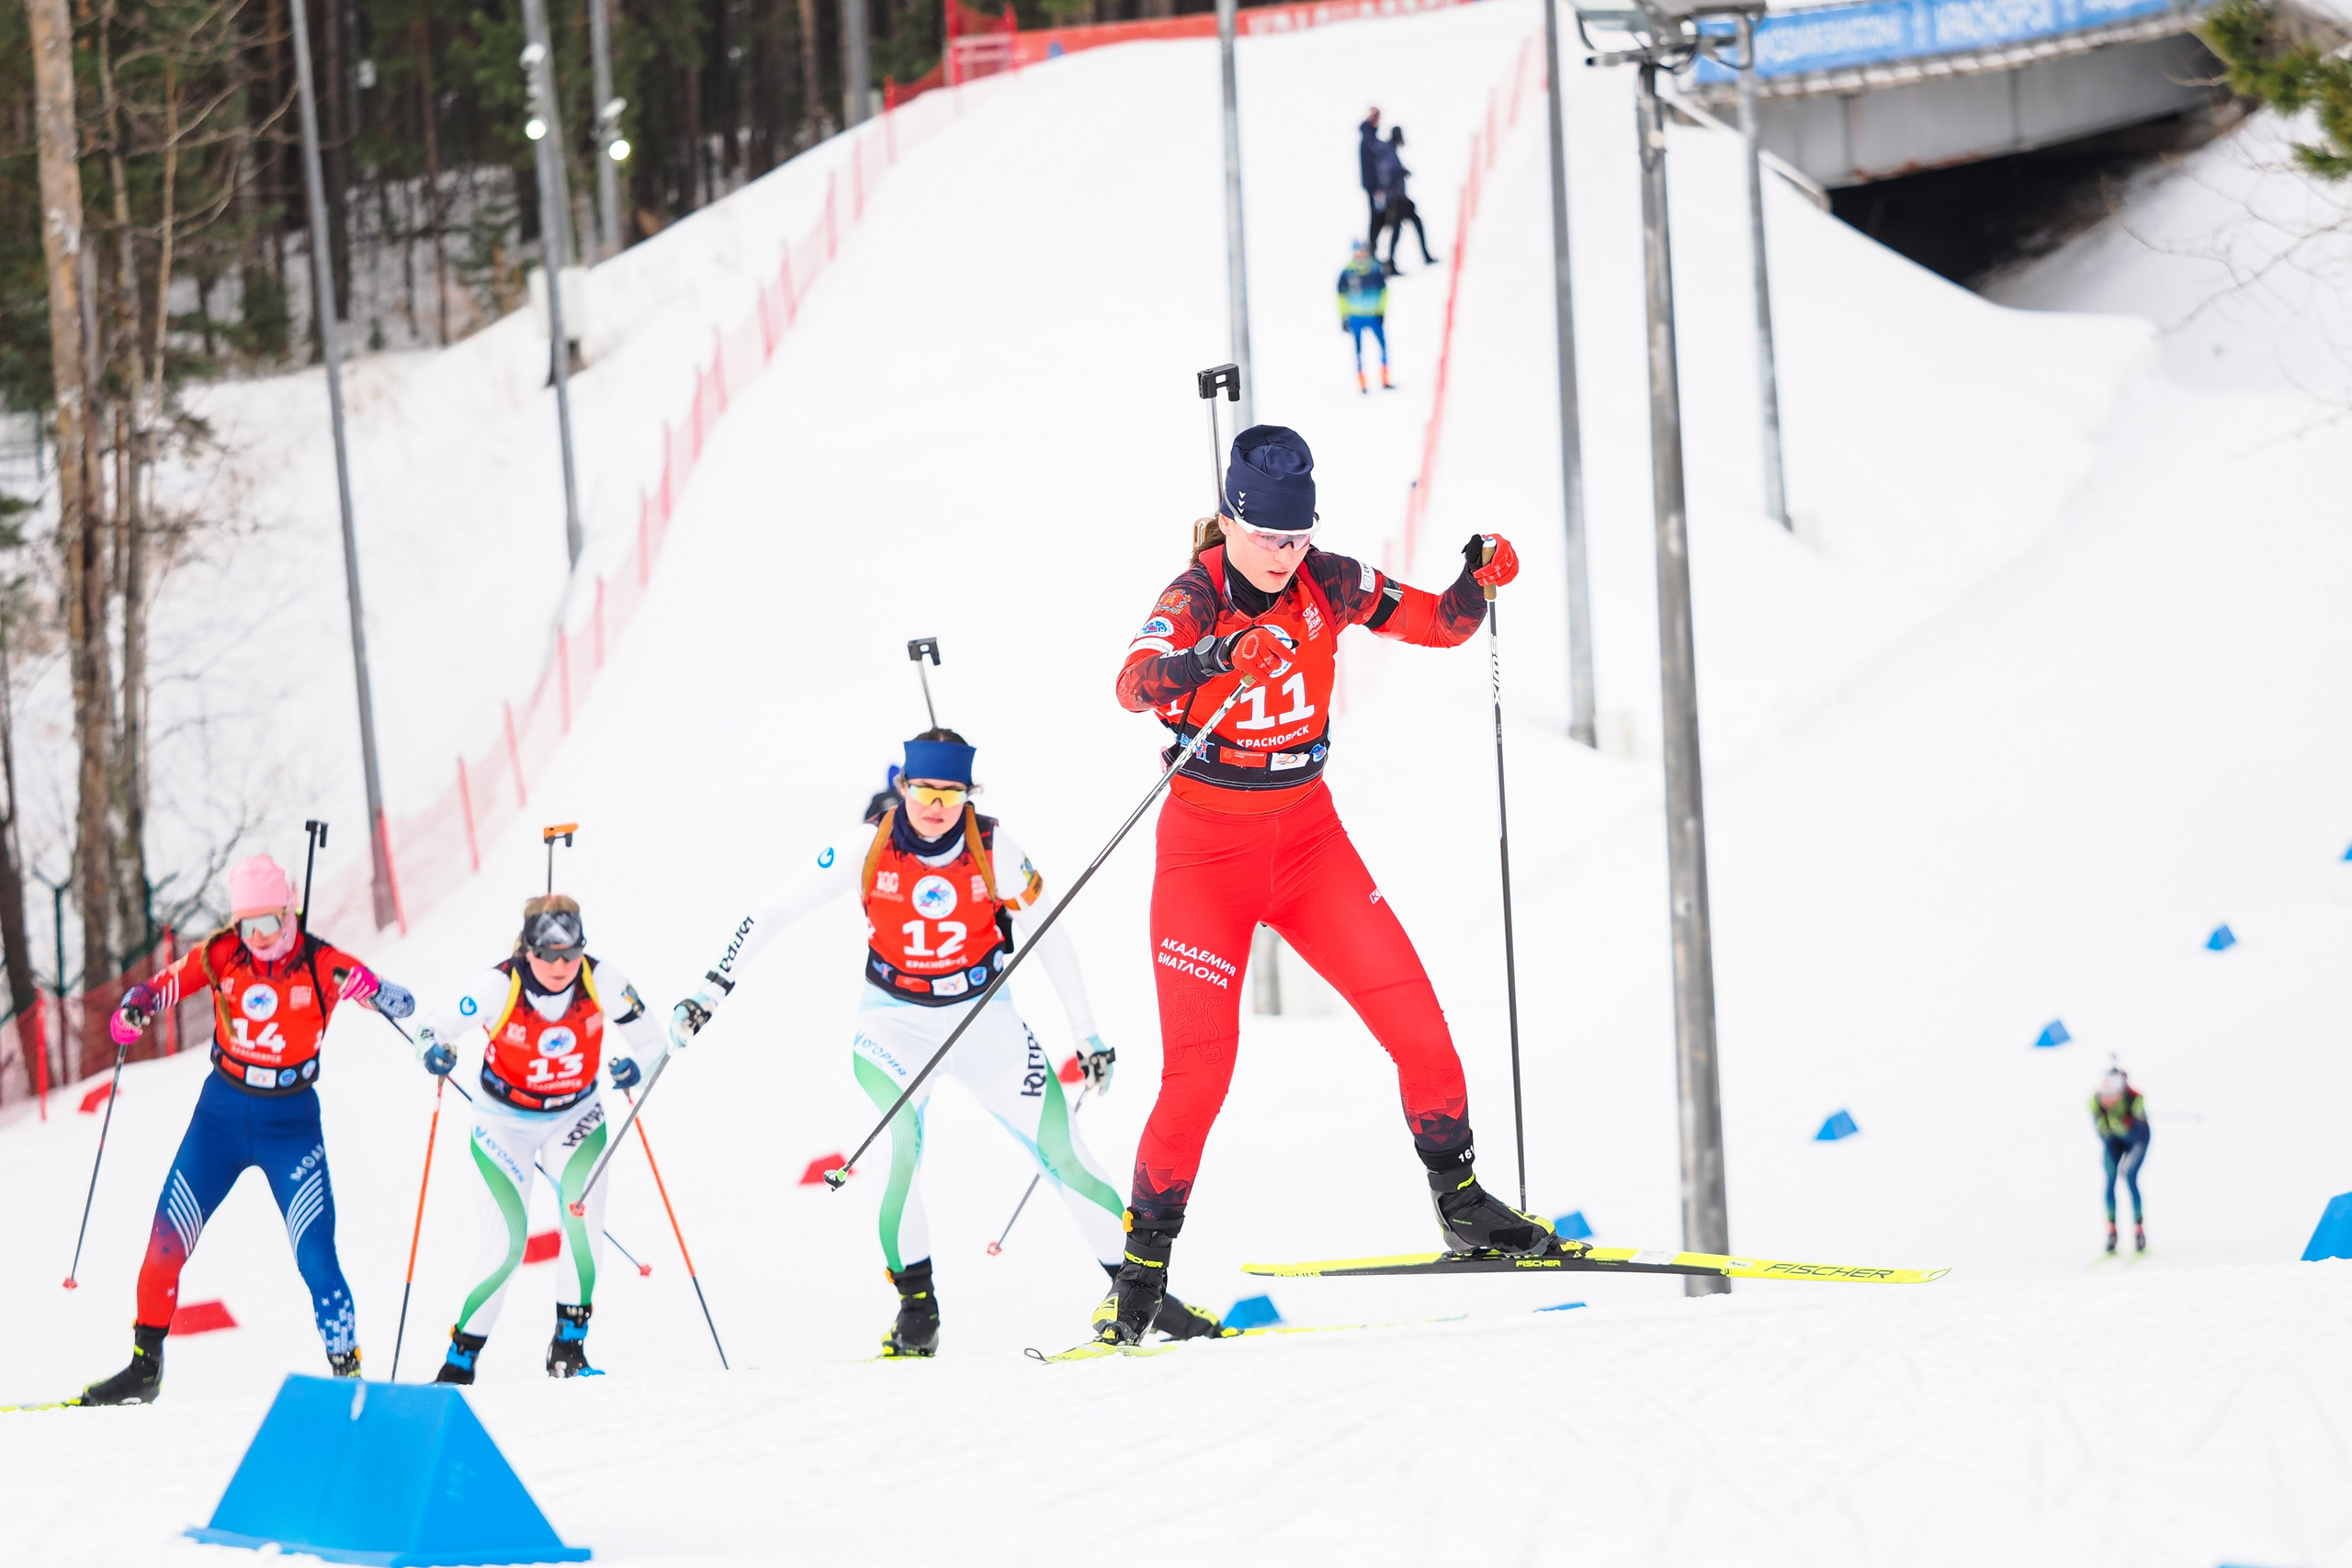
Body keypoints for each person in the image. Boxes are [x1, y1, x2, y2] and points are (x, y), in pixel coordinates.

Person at [1092, 425, 1575, 1348]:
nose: (1286, 555)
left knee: (1421, 1028)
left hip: (1308, 840)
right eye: (1270, 538)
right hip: (1206, 854)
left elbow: (1441, 623)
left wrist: (1479, 579)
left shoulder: (1332, 582)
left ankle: (1461, 1205)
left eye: (1298, 536)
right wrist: (1214, 660)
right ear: (1230, 521)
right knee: (1199, 1077)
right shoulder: (1191, 596)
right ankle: (1141, 1282)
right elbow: (1133, 683)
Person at [668, 729, 1226, 1355]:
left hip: (985, 1018)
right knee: (896, 1151)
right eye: (925, 790)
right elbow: (772, 911)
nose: (936, 805)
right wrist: (710, 989)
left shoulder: (991, 844)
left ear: (968, 793)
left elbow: (1050, 932)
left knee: (1064, 1152)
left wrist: (1086, 1033)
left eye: (951, 793)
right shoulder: (868, 844)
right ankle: (917, 1312)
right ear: (904, 788)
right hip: (894, 1025)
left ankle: (1143, 1295)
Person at [78, 853, 412, 1404]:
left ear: (290, 912)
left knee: (316, 1257)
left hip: (291, 1126)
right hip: (221, 1118)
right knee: (165, 1243)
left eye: (269, 923)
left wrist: (373, 989)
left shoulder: (320, 962)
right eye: (246, 925)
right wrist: (134, 1008)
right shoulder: (220, 954)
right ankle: (145, 1368)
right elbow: (160, 988)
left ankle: (348, 1375)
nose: (258, 937)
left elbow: (403, 1001)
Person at [413, 894, 671, 1382]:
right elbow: (432, 1029)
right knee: (507, 1245)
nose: (560, 965)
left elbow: (656, 1043)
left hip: (574, 1117)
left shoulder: (604, 980)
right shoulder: (497, 985)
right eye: (548, 954)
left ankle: (568, 1353)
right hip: (502, 1123)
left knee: (581, 1223)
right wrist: (435, 1052)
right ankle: (458, 1365)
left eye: (570, 954)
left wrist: (634, 1065)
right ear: (526, 951)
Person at [2093, 1067, 2150, 1254]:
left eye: (2113, 1095)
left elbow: (2138, 1133)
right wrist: (2110, 1126)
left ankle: (2139, 1229)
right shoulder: (2095, 1101)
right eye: (2104, 1096)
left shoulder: (2135, 1099)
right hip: (2114, 1142)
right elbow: (2101, 1133)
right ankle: (2112, 1231)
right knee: (2110, 1180)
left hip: (2137, 1141)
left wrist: (2121, 1124)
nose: (2107, 1100)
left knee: (2130, 1176)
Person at [1375, 127, 1437, 274]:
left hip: (1398, 198)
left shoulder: (1390, 150)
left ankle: (1400, 261)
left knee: (1407, 227)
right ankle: (1393, 263)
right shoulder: (1389, 151)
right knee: (1399, 229)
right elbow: (1389, 172)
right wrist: (1402, 173)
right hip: (1395, 199)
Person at [1337, 238, 1392, 393]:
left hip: (1373, 315)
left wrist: (1381, 311)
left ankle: (1385, 379)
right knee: (1359, 350)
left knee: (1382, 346)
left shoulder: (1375, 269)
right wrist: (1344, 316)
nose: (1360, 254)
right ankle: (1362, 383)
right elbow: (1340, 296)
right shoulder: (1347, 272)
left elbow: (1383, 292)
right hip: (1356, 316)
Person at [1358, 107, 1387, 249]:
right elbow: (1371, 167)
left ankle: (1372, 249)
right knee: (1377, 218)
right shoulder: (1369, 140)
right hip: (1374, 188)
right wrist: (1376, 188)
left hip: (1375, 187)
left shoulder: (1371, 138)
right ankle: (1371, 249)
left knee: (1380, 218)